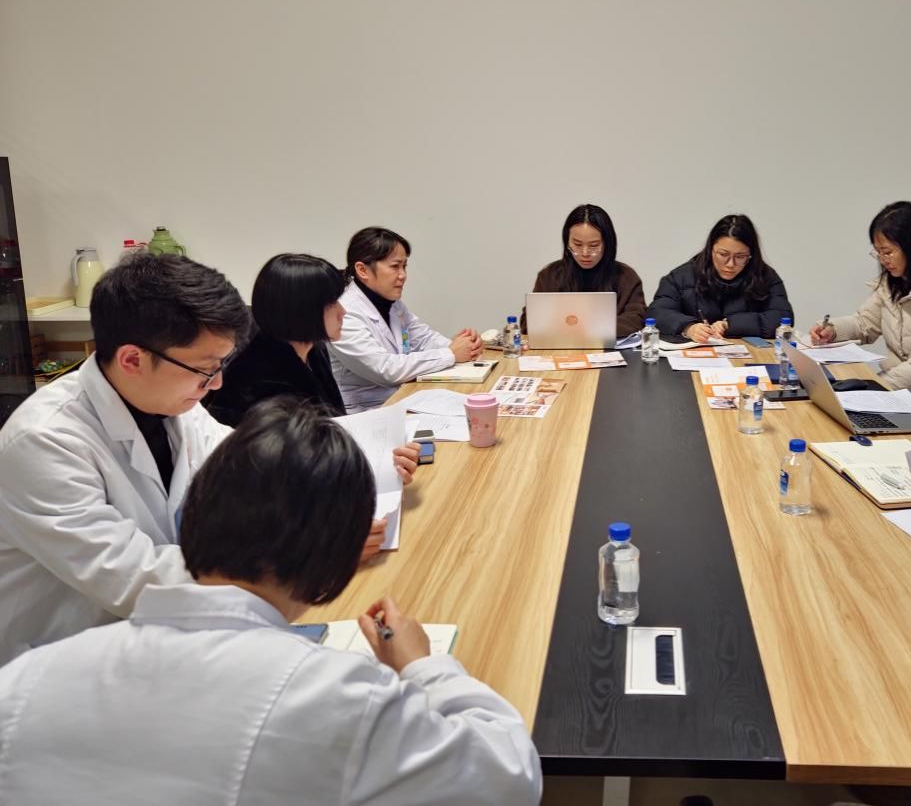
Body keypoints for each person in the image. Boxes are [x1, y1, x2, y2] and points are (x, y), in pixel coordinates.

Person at [0, 398, 543, 804]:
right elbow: (508, 776)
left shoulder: (22, 681)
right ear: (335, 563)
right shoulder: (336, 698)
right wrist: (425, 667)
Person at [0, 253, 418, 666]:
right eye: (205, 369)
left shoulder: (168, 402)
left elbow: (255, 463)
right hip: (63, 663)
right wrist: (310, 550)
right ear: (132, 360)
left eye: (220, 365)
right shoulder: (43, 442)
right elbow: (135, 576)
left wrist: (362, 464)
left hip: (162, 639)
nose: (216, 383)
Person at [811, 201, 911, 401]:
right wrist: (832, 330)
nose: (883, 259)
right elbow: (865, 323)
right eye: (878, 252)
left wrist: (876, 386)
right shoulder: (895, 281)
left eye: (888, 252)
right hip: (894, 387)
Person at [330, 227, 483, 412]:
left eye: (404, 266)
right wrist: (451, 353)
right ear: (363, 270)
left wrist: (465, 347)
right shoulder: (344, 312)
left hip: (398, 399)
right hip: (363, 412)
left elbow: (423, 338)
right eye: (395, 266)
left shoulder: (392, 303)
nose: (403, 275)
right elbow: (386, 369)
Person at [204, 253, 348, 426]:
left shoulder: (313, 348)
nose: (343, 311)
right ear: (302, 311)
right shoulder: (257, 381)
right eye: (332, 303)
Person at [647, 214, 793, 342]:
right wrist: (688, 327)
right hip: (695, 357)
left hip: (751, 358)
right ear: (711, 249)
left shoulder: (765, 277)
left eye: (740, 257)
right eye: (723, 254)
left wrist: (731, 325)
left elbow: (783, 319)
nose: (730, 264)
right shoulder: (682, 276)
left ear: (751, 255)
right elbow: (656, 313)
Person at [522, 203, 647, 338]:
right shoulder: (549, 276)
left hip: (607, 348)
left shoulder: (626, 277)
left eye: (594, 245)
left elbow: (637, 319)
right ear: (567, 242)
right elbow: (527, 323)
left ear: (608, 244)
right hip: (560, 348)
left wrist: (584, 327)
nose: (585, 253)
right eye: (577, 244)